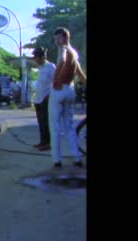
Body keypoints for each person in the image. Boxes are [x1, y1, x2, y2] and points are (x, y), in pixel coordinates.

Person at [50, 27, 87, 168]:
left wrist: (56, 78)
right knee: (69, 126)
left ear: (66, 37)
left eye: (58, 38)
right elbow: (80, 74)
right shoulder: (75, 53)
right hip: (70, 90)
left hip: (59, 89)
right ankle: (76, 157)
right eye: (55, 40)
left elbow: (63, 60)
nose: (56, 42)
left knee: (54, 126)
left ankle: (56, 160)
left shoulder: (63, 49)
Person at [30, 47, 56, 151]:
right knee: (40, 121)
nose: (35, 59)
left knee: (45, 121)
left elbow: (56, 82)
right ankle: (42, 141)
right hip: (38, 98)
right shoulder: (40, 68)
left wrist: (50, 95)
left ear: (42, 56)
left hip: (47, 97)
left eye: (36, 57)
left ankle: (48, 143)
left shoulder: (51, 67)